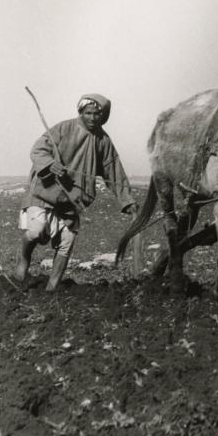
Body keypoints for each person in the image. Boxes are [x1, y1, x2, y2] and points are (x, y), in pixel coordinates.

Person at [15, 93, 136, 291]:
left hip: (72, 199)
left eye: (97, 114)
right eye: (88, 113)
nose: (92, 118)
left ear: (103, 116)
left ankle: (51, 289)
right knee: (36, 232)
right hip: (45, 193)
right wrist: (50, 164)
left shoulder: (103, 141)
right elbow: (38, 149)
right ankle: (24, 259)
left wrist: (127, 200)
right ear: (81, 112)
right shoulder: (63, 128)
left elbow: (114, 171)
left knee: (66, 243)